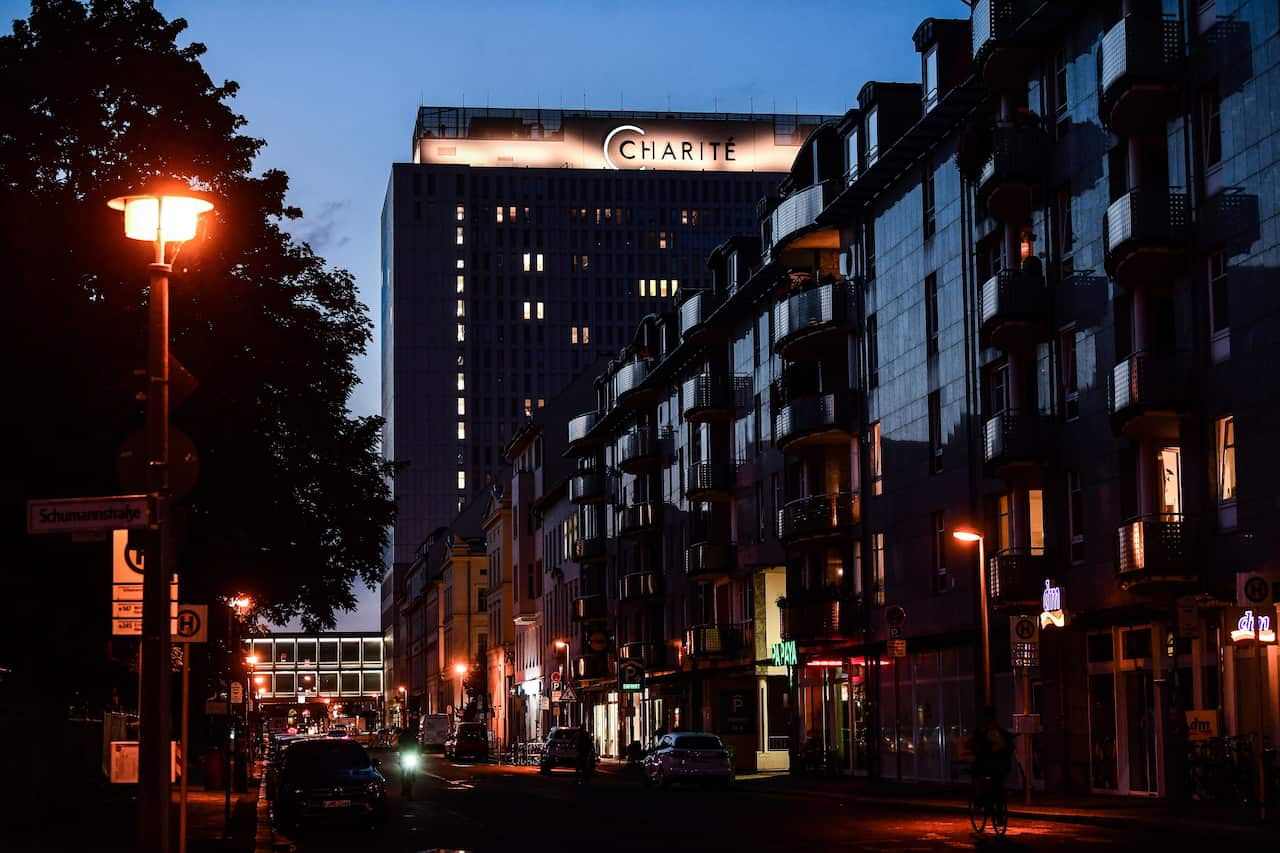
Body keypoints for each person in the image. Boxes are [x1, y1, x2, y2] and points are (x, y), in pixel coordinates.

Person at [972, 706, 1014, 807]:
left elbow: (980, 748)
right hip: (998, 764)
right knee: (995, 784)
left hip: (993, 764)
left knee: (980, 776)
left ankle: (983, 799)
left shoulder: (986, 731)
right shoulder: (995, 730)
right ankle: (991, 804)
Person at [397, 725, 420, 799]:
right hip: (404, 756)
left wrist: (418, 754)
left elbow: (417, 747)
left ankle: (412, 775)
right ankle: (404, 787)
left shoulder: (413, 738)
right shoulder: (402, 738)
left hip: (411, 755)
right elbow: (400, 747)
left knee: (413, 767)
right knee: (403, 771)